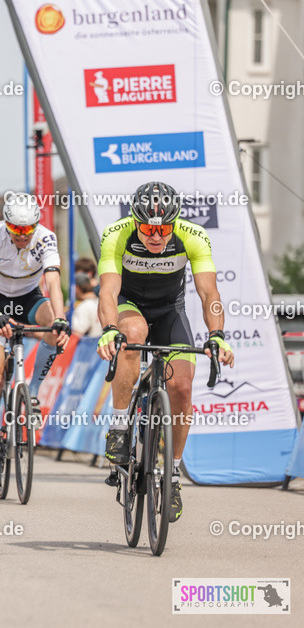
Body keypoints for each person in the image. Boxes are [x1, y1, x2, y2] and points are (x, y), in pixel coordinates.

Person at [96, 181, 234, 522]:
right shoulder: (116, 234)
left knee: (182, 387)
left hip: (170, 311)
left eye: (163, 229)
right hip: (129, 306)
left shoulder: (193, 236)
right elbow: (108, 291)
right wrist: (109, 329)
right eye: (147, 229)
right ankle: (119, 428)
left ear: (175, 223)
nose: (156, 237)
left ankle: (172, 475)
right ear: (135, 221)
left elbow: (209, 293)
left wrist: (217, 335)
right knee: (132, 334)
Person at [0, 192, 70, 487]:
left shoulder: (46, 238)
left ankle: (33, 392)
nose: (23, 235)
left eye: (28, 229)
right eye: (16, 229)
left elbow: (53, 283)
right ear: (7, 224)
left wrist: (61, 318)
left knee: (54, 325)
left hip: (28, 298)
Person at [71, 272, 102, 337]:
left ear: (77, 287)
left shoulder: (84, 306)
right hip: (100, 341)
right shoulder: (100, 302)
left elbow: (77, 334)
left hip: (88, 342)